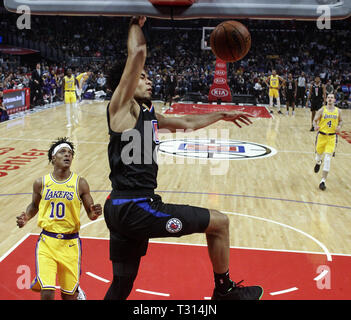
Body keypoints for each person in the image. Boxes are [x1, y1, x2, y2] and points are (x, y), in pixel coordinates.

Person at [103, 16, 263, 301]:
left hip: (120, 207)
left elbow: (186, 123)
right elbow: (137, 53)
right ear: (125, 83)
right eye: (141, 76)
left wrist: (221, 114)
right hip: (135, 206)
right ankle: (225, 292)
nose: (148, 78)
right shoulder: (120, 109)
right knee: (219, 222)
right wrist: (135, 23)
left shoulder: (148, 114)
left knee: (122, 286)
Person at [16, 137, 102, 300]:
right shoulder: (41, 183)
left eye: (70, 153)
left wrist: (95, 212)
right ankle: (45, 281)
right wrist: (26, 217)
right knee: (47, 292)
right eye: (63, 151)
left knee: (67, 296)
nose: (67, 155)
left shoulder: (80, 183)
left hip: (70, 244)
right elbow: (34, 206)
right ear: (53, 158)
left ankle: (76, 292)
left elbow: (91, 215)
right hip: (47, 242)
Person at [312, 93, 343, 191]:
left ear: (334, 100)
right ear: (326, 99)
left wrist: (339, 126)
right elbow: (314, 120)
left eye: (332, 97)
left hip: (332, 137)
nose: (330, 99)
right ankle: (318, 162)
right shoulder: (322, 110)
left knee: (328, 159)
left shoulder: (338, 111)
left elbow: (341, 121)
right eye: (328, 97)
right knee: (318, 156)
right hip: (321, 136)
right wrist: (315, 126)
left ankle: (323, 181)